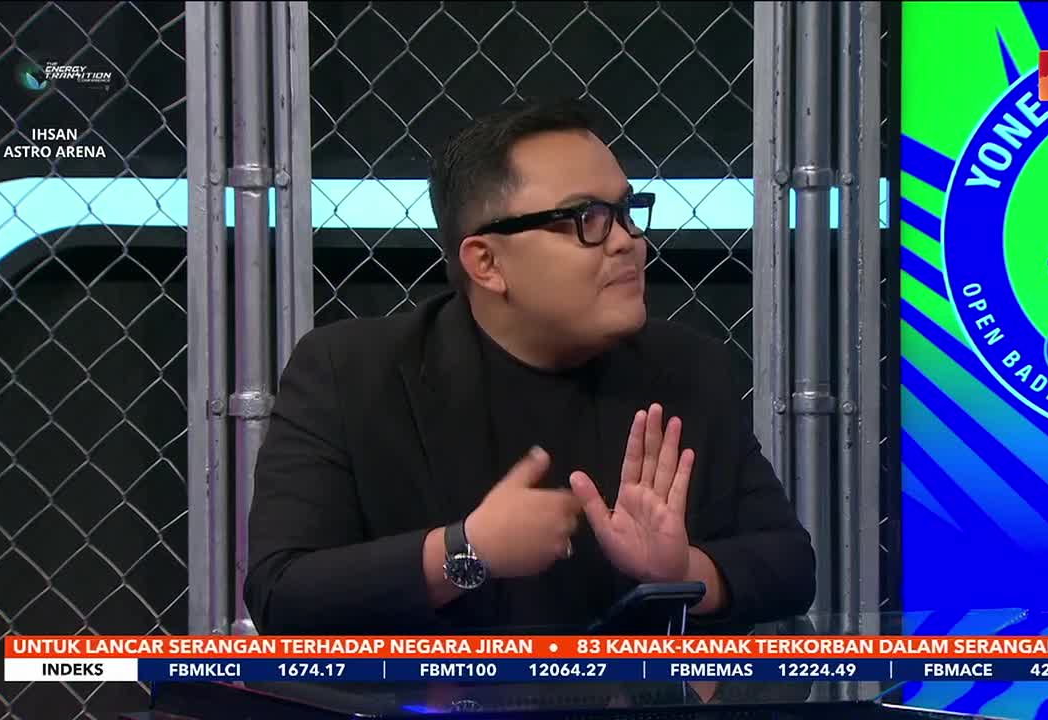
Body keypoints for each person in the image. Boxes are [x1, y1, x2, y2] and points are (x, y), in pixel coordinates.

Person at [244, 98, 816, 634]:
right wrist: (464, 553)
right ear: (487, 261)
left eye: (625, 212)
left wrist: (682, 571)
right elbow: (281, 593)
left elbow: (790, 566)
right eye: (587, 218)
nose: (628, 243)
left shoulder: (687, 368)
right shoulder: (351, 374)